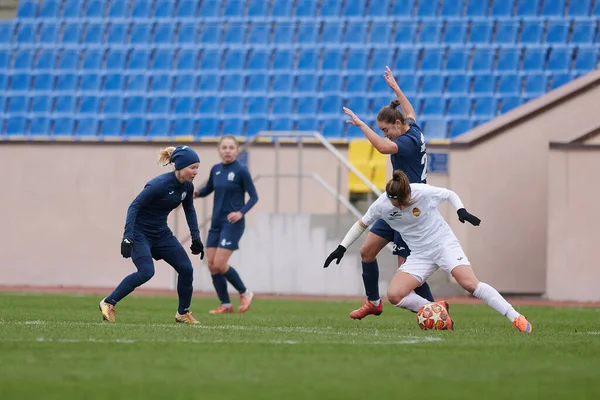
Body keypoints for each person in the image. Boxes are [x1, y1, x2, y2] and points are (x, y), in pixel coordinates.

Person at [324, 170, 533, 333]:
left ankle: (514, 316)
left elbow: (449, 194)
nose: (401, 206)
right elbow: (361, 224)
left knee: (469, 283)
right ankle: (436, 310)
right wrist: (341, 247)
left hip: (444, 245)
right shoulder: (382, 205)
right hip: (420, 254)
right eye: (397, 203)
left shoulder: (421, 192)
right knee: (395, 295)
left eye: (404, 201)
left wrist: (461, 210)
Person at [341, 66, 434, 320]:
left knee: (406, 273)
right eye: (381, 130)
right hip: (396, 205)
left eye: (385, 129)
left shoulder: (407, 142)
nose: (384, 134)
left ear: (396, 124)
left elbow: (382, 148)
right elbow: (411, 111)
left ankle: (435, 309)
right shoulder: (412, 127)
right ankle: (373, 302)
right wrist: (396, 88)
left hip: (412, 210)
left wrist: (361, 125)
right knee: (367, 251)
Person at [99, 145, 205, 324]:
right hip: (140, 234)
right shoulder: (159, 184)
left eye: (197, 168)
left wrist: (196, 237)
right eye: (192, 167)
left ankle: (182, 313)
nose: (195, 172)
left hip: (161, 234)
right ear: (179, 166)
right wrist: (128, 236)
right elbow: (134, 206)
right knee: (147, 272)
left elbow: (189, 210)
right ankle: (108, 302)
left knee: (186, 269)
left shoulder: (187, 186)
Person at [194, 135, 258, 314]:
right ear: (219, 150)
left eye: (231, 148)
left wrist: (240, 212)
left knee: (221, 264)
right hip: (216, 223)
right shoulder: (216, 170)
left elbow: (254, 197)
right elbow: (209, 189)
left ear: (237, 150)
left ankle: (245, 292)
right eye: (224, 148)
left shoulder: (241, 171)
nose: (228, 151)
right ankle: (226, 304)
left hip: (232, 224)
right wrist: (197, 193)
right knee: (212, 265)